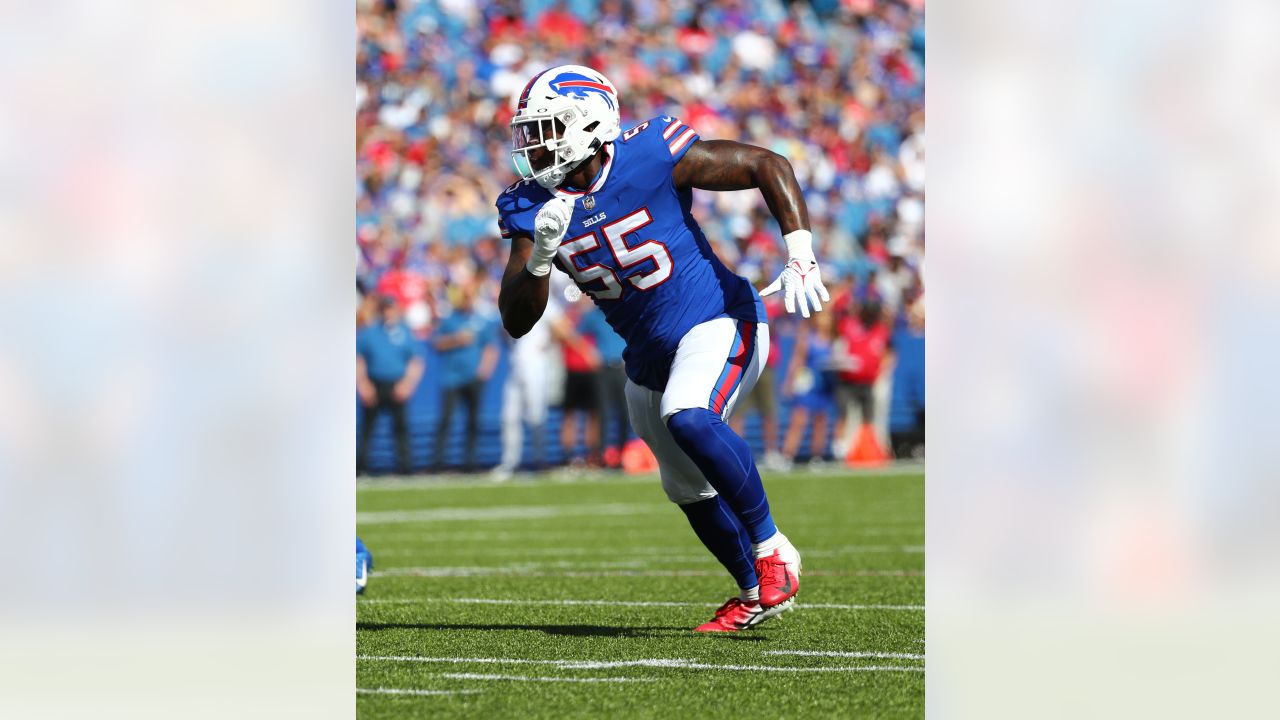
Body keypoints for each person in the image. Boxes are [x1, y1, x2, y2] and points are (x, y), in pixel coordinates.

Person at [496, 66, 830, 632]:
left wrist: (800, 252)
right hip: (648, 352)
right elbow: (516, 320)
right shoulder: (530, 205)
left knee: (689, 414)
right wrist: (540, 258)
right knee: (684, 486)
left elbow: (767, 164)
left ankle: (773, 550)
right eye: (530, 132)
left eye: (549, 128)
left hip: (719, 318)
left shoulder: (650, 152)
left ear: (591, 125)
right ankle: (750, 592)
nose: (537, 144)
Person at [491, 296, 561, 481]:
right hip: (516, 363)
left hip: (535, 363)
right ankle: (510, 462)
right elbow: (503, 330)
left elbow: (559, 326)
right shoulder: (510, 300)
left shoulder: (545, 300)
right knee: (509, 416)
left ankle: (540, 460)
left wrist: (546, 346)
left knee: (536, 415)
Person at [431, 283, 498, 473]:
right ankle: (438, 462)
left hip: (473, 377)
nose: (468, 300)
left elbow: (490, 347)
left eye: (471, 296)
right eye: (465, 297)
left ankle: (469, 462)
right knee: (446, 421)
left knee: (473, 421)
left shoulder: (481, 320)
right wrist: (455, 339)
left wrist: (484, 370)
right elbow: (436, 343)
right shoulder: (450, 319)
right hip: (451, 377)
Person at [356, 295, 425, 475]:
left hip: (397, 383)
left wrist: (407, 384)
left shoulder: (405, 332)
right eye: (385, 309)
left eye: (391, 309)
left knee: (401, 428)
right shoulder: (370, 332)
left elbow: (416, 361)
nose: (388, 313)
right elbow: (359, 360)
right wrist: (363, 385)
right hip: (375, 382)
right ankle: (360, 467)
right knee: (367, 429)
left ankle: (405, 468)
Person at [780, 310, 839, 466]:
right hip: (808, 384)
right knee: (799, 420)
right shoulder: (807, 339)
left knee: (821, 421)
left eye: (828, 317)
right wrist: (789, 382)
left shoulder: (833, 340)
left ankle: (817, 456)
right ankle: (787, 455)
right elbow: (796, 361)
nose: (825, 320)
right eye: (822, 317)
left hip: (825, 384)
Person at [552, 296, 602, 466]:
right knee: (569, 415)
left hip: (592, 371)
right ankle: (569, 457)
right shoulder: (567, 317)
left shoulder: (595, 315)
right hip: (573, 370)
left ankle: (592, 456)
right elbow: (558, 334)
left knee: (593, 415)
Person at [580, 304, 629, 469]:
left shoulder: (622, 310)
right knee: (604, 413)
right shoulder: (593, 315)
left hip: (622, 368)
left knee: (625, 414)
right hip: (604, 369)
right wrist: (589, 353)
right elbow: (576, 335)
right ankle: (601, 456)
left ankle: (622, 454)